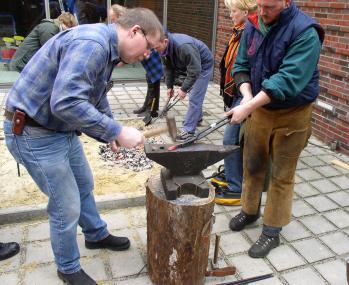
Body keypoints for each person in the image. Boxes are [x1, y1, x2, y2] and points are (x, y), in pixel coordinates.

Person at [4, 7, 163, 285]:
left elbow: (95, 94)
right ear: (134, 31)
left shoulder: (107, 49)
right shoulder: (92, 45)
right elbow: (66, 102)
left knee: (84, 183)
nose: (147, 55)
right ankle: (67, 268)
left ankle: (95, 234)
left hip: (58, 128)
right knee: (66, 204)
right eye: (149, 47)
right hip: (33, 131)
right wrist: (117, 130)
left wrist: (110, 131)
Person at [227, 0, 324, 258]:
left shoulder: (306, 32)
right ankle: (249, 211)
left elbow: (287, 80)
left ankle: (272, 231)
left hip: (293, 113)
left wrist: (248, 107)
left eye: (269, 6)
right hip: (259, 108)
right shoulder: (253, 24)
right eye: (259, 5)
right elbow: (241, 66)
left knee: (282, 173)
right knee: (253, 163)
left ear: (286, 2)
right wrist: (247, 97)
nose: (262, 12)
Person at [211, 0, 257, 206]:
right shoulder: (238, 31)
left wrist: (246, 99)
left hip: (246, 94)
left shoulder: (251, 34)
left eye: (233, 11)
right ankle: (232, 173)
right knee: (234, 139)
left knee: (230, 140)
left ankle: (235, 188)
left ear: (246, 12)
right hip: (237, 92)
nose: (230, 15)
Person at [108, 4, 163, 124]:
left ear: (120, 15)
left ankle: (152, 110)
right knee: (150, 81)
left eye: (113, 18)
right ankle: (146, 106)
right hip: (147, 58)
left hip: (153, 59)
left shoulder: (137, 23)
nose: (113, 22)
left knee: (154, 83)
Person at [155, 31, 214, 141]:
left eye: (157, 47)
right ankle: (197, 118)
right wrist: (169, 86)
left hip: (203, 65)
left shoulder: (183, 47)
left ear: (165, 41)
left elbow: (195, 70)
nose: (156, 50)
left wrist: (183, 89)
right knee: (194, 93)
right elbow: (168, 68)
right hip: (193, 64)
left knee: (194, 96)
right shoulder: (164, 49)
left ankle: (188, 130)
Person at [10, 12, 77, 72]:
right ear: (61, 21)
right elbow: (51, 54)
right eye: (68, 27)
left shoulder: (52, 28)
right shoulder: (49, 28)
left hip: (26, 64)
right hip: (21, 66)